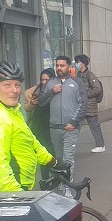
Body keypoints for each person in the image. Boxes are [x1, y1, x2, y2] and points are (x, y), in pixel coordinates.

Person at [0, 61, 66, 192]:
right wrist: (17, 195)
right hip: (0, 188)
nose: (14, 90)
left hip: (17, 183)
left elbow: (29, 141)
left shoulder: (9, 110)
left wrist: (53, 162)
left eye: (17, 85)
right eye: (7, 85)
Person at [39, 55, 87, 197]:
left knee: (68, 159)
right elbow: (41, 102)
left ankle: (67, 187)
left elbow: (82, 104)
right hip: (54, 127)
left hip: (70, 128)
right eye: (57, 65)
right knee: (59, 160)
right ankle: (60, 187)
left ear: (68, 67)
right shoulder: (50, 83)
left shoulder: (77, 82)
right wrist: (51, 91)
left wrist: (73, 122)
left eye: (62, 65)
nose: (59, 68)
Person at [25, 68, 56, 178]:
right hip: (38, 124)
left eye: (46, 80)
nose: (44, 82)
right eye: (42, 79)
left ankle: (56, 173)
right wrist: (32, 103)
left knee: (52, 150)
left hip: (51, 123)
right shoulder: (37, 90)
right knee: (43, 150)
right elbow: (27, 108)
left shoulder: (56, 89)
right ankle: (45, 177)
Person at [74, 54, 105, 153]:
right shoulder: (78, 74)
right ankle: (71, 143)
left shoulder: (90, 75)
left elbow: (97, 88)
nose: (76, 64)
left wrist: (85, 95)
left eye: (78, 62)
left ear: (83, 63)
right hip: (81, 105)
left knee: (94, 126)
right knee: (75, 125)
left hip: (90, 105)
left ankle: (100, 145)